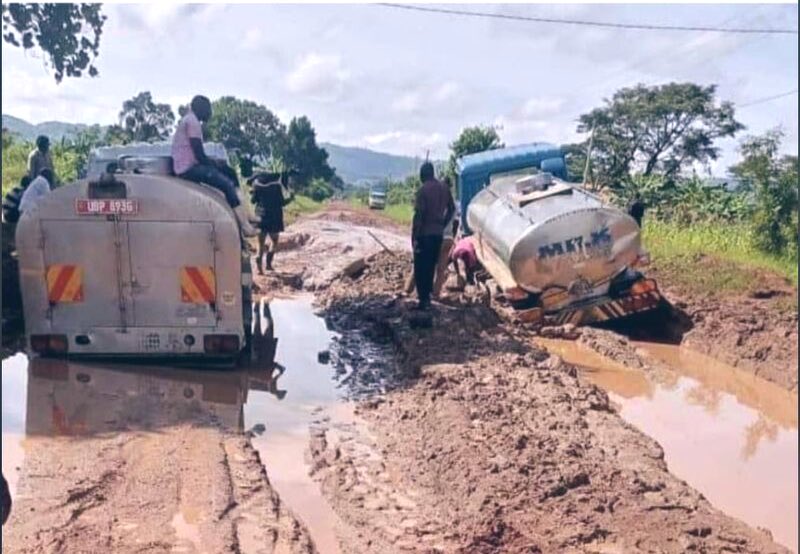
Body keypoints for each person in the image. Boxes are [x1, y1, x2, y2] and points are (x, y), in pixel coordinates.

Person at [171, 95, 257, 237]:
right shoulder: (192, 122)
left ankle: (247, 214)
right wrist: (213, 164)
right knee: (226, 185)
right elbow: (199, 154)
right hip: (188, 169)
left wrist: (216, 163)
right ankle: (245, 227)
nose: (209, 113)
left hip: (190, 165)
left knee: (230, 172)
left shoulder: (190, 120)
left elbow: (197, 153)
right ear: (200, 108)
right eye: (207, 109)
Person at [411, 161, 455, 310]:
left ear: (423, 174)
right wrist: (443, 223)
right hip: (438, 235)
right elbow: (452, 209)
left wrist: (414, 236)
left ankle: (423, 300)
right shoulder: (444, 188)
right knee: (431, 267)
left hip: (424, 234)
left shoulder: (423, 190)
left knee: (420, 267)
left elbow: (419, 215)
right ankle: (427, 298)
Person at [248, 171, 295, 273]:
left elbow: (252, 201)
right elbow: (281, 203)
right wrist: (291, 199)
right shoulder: (276, 187)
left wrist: (252, 192)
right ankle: (268, 264)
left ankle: (259, 263)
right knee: (274, 241)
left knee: (260, 243)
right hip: (274, 218)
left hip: (260, 217)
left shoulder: (258, 186)